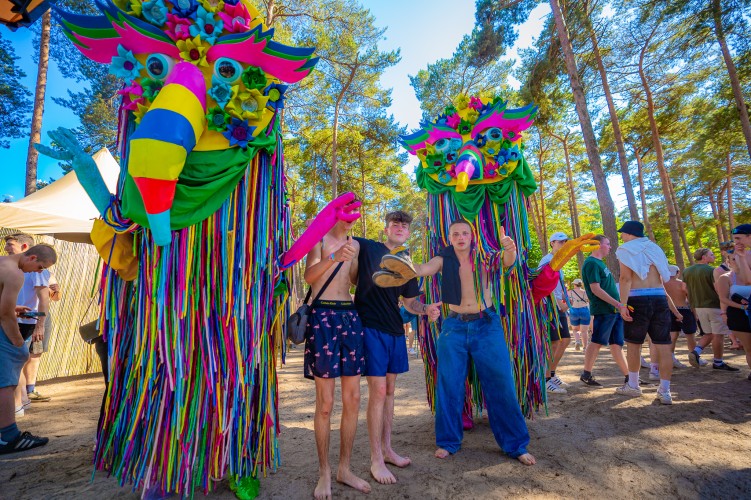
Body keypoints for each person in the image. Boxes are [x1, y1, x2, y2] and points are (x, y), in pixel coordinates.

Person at [405, 220, 535, 465]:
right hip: (453, 326)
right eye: (455, 234)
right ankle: (447, 442)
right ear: (449, 237)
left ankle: (516, 445)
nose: (461, 237)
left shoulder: (484, 256)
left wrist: (510, 249)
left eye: (465, 233)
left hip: (486, 324)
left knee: (501, 384)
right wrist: (403, 262)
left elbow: (507, 262)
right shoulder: (442, 257)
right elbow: (423, 269)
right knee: (449, 384)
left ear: (472, 235)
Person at [350, 211, 441, 484]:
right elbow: (342, 239)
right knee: (377, 391)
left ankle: (388, 449)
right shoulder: (368, 246)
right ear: (386, 228)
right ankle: (375, 458)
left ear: (408, 232)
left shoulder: (407, 263)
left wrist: (426, 309)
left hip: (394, 331)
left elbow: (410, 303)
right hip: (369, 327)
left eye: (404, 225)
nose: (400, 228)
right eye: (395, 224)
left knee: (389, 392)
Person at [302, 216, 370, 499]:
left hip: (350, 317)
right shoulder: (317, 239)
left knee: (353, 399)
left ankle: (344, 468)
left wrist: (355, 259)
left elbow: (353, 280)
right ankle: (324, 472)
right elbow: (309, 276)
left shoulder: (353, 243)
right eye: (346, 214)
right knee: (326, 403)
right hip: (322, 318)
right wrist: (333, 256)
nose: (351, 220)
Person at [615, 221, 682, 405]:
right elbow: (663, 276)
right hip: (659, 297)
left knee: (634, 345)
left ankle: (634, 386)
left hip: (637, 298)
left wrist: (623, 304)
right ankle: (665, 391)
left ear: (629, 234)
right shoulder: (654, 247)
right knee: (663, 345)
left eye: (623, 233)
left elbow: (625, 278)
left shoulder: (625, 249)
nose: (621, 236)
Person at [0, 244, 57, 455]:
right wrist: (17, 344)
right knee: (6, 383)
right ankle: (10, 437)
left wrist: (13, 308)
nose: (39, 272)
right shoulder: (16, 274)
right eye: (40, 267)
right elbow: (5, 316)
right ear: (31, 257)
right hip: (3, 332)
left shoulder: (2, 262)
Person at [3, 234, 52, 414]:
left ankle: (20, 403)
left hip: (24, 319)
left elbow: (44, 297)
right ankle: (19, 405)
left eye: (10, 244)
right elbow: (5, 312)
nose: (40, 272)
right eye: (40, 267)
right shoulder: (14, 271)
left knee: (16, 362)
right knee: (15, 362)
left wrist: (39, 323)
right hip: (16, 321)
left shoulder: (11, 267)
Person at [579, 235, 629, 387]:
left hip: (613, 310)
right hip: (604, 310)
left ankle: (630, 377)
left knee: (617, 344)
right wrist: (618, 304)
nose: (610, 246)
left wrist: (618, 305)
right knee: (596, 342)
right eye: (607, 244)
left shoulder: (599, 263)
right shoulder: (591, 263)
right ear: (598, 245)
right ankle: (586, 374)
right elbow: (595, 289)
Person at [682, 247, 738, 371]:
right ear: (704, 257)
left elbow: (684, 288)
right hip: (714, 305)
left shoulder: (687, 271)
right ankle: (718, 362)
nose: (714, 257)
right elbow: (718, 289)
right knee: (718, 335)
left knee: (709, 333)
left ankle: (695, 352)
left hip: (698, 306)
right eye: (711, 255)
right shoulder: (713, 270)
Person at [539, 232, 572, 394]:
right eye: (560, 242)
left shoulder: (559, 260)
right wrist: (558, 302)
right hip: (549, 305)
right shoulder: (547, 260)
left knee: (565, 340)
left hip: (557, 305)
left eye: (565, 242)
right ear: (552, 243)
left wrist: (564, 300)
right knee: (554, 342)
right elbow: (543, 283)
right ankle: (544, 380)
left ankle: (551, 375)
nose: (563, 244)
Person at [715, 255, 751, 380]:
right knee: (749, 347)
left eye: (740, 258)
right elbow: (723, 298)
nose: (738, 261)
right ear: (728, 261)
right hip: (738, 315)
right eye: (733, 259)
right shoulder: (725, 278)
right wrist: (742, 307)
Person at [664, 265, 696, 368]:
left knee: (672, 335)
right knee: (690, 335)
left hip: (669, 310)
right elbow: (690, 298)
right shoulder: (682, 284)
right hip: (684, 310)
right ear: (677, 272)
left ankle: (670, 357)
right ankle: (694, 356)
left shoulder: (662, 284)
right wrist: (694, 312)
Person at [568, 278, 591, 351]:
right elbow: (589, 301)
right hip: (584, 310)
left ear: (574, 284)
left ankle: (577, 341)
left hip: (574, 310)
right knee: (584, 331)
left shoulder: (570, 292)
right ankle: (585, 347)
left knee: (575, 329)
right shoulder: (585, 292)